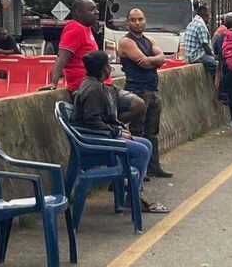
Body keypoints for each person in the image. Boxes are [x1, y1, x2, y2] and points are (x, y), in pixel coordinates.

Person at [70, 51, 168, 214]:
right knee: (141, 150)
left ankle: (133, 188)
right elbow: (92, 121)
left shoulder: (95, 84)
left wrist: (119, 129)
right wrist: (116, 132)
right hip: (94, 141)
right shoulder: (92, 90)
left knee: (146, 143)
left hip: (100, 135)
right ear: (106, 70)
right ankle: (132, 194)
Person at [116, 8, 173, 178]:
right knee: (136, 130)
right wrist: (155, 60)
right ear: (128, 22)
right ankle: (137, 169)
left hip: (152, 89)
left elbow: (161, 58)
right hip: (136, 90)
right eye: (133, 20)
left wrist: (154, 60)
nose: (137, 22)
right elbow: (144, 63)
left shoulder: (149, 40)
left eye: (140, 19)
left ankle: (153, 166)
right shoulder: (126, 41)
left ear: (145, 20)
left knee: (152, 131)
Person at [44, 0, 107, 91]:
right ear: (79, 13)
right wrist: (53, 83)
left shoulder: (86, 28)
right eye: (92, 9)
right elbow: (62, 57)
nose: (97, 12)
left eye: (96, 9)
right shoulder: (75, 28)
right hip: (87, 89)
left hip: (97, 86)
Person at [178, 4, 223, 104]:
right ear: (204, 15)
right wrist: (213, 56)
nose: (209, 18)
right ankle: (220, 96)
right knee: (219, 67)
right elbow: (205, 45)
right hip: (198, 56)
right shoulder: (201, 25)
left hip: (190, 56)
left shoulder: (191, 23)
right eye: (208, 15)